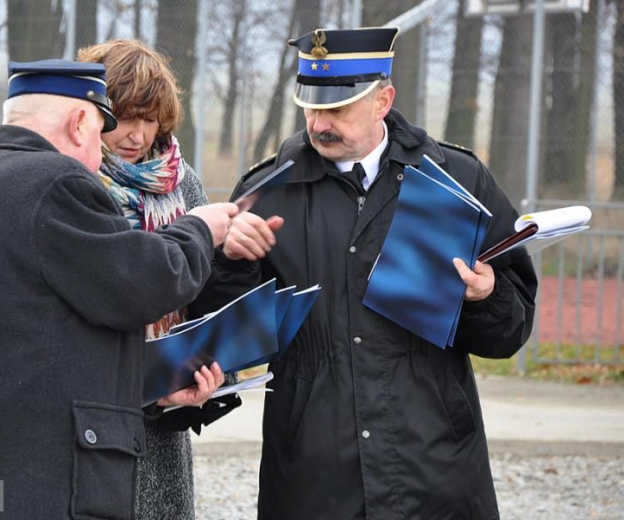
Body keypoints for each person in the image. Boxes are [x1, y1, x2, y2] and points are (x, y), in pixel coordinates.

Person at [202, 28, 539, 519]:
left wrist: (485, 296)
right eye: (311, 107)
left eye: (338, 109)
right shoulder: (267, 191)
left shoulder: (455, 178)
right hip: (315, 475)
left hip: (435, 467)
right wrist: (232, 264)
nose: (320, 123)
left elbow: (510, 333)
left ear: (383, 100)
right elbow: (226, 343)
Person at [0, 59, 239, 519]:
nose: (99, 157)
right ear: (79, 123)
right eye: (101, 131)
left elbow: (42, 346)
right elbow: (146, 283)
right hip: (37, 484)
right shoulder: (55, 183)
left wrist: (157, 389)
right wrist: (199, 229)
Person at [76, 39, 277, 520]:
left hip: (166, 419)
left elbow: (202, 290)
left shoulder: (182, 180)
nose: (137, 135)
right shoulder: (73, 179)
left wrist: (233, 259)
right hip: (93, 405)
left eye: (151, 119)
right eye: (125, 117)